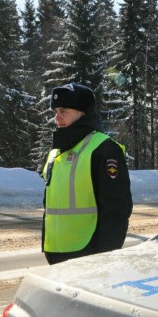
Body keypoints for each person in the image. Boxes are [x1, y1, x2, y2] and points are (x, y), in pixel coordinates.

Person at [41, 82, 133, 265]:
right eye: (55, 112)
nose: (57, 118)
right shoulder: (56, 152)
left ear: (82, 113)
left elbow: (116, 209)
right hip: (56, 250)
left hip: (88, 252)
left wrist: (104, 256)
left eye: (64, 111)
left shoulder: (104, 149)